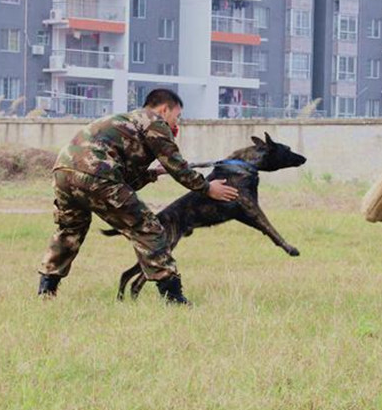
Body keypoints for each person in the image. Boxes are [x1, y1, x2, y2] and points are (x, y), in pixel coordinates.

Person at [37, 88, 239, 304]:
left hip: (63, 172)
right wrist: (207, 188)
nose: (176, 123)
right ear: (164, 109)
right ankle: (173, 296)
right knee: (147, 227)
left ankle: (46, 290)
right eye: (177, 116)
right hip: (97, 172)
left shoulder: (127, 121)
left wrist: (152, 174)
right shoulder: (153, 121)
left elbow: (124, 177)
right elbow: (177, 166)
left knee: (70, 229)